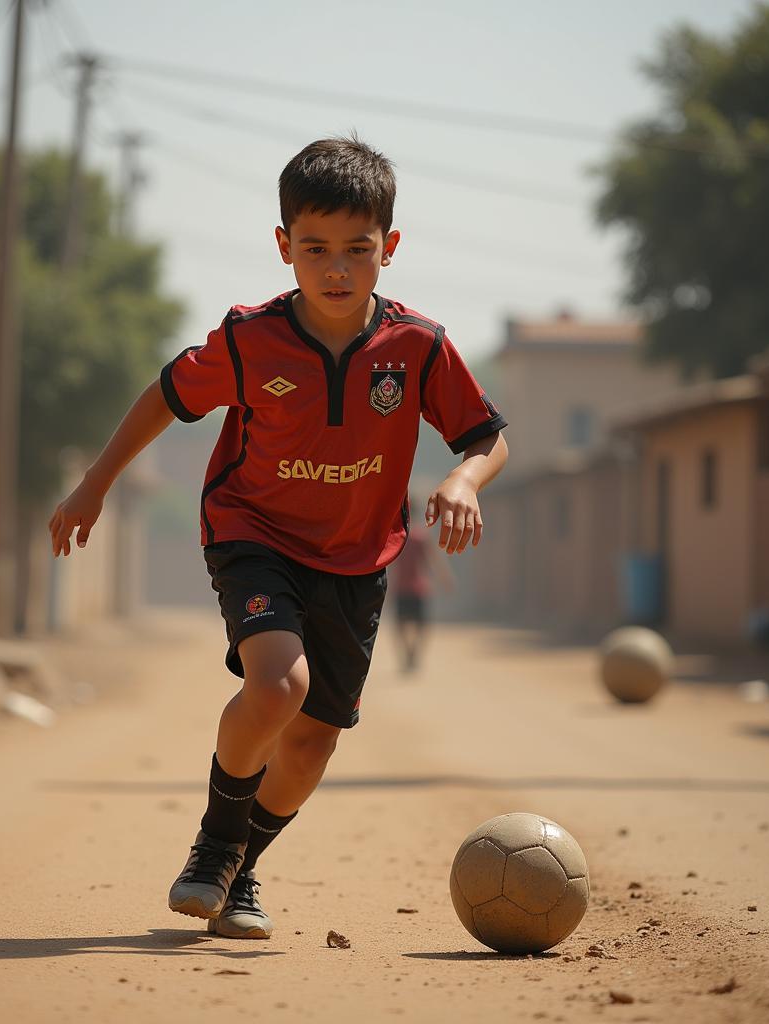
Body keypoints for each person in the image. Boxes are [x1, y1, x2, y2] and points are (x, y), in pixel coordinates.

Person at [48, 135, 509, 941]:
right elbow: (165, 396)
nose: (336, 268)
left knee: (309, 750)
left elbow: (485, 435)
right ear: (284, 246)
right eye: (315, 248)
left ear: (389, 249)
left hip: (359, 558)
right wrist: (95, 482)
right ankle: (212, 848)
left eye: (358, 250)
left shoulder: (418, 346)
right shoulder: (250, 339)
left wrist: (464, 480)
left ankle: (240, 870)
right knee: (277, 688)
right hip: (253, 535)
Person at [390, 521, 453, 674]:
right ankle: (413, 652)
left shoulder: (397, 537)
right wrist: (445, 578)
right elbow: (434, 560)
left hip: (402, 586)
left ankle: (409, 652)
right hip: (419, 587)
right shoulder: (422, 537)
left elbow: (390, 562)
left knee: (401, 624)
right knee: (422, 624)